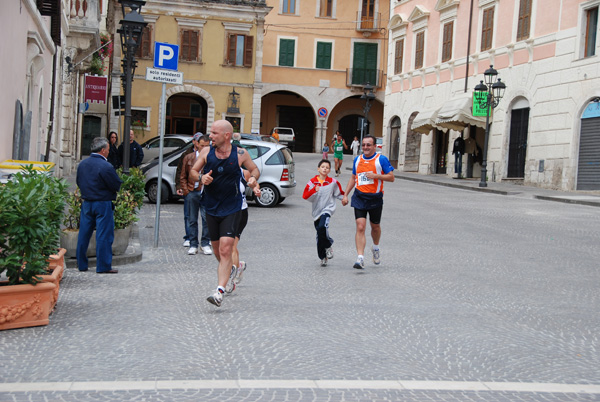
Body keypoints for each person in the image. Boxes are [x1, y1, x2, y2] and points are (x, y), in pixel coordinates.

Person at [190, 120, 260, 307]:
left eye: (214, 133)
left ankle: (219, 291)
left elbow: (254, 169)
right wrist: (200, 177)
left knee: (226, 248)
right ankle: (230, 269)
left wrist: (253, 179)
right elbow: (193, 171)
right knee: (217, 250)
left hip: (233, 207)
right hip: (211, 207)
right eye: (210, 132)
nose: (210, 136)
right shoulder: (206, 153)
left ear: (226, 135)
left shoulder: (240, 154)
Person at [342, 135, 395, 270]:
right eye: (364, 145)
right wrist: (345, 194)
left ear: (374, 146)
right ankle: (360, 258)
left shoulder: (381, 159)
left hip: (375, 198)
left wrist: (376, 176)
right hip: (359, 197)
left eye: (368, 145)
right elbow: (353, 178)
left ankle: (375, 247)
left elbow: (391, 177)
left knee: (375, 226)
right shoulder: (358, 159)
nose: (365, 147)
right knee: (360, 226)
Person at [76, 137, 123, 274]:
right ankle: (103, 266)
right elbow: (116, 184)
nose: (109, 152)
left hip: (87, 202)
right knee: (103, 235)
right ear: (103, 150)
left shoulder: (83, 164)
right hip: (102, 202)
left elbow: (79, 182)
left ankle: (82, 264)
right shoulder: (106, 166)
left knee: (84, 234)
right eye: (108, 149)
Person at [302, 159, 344, 266]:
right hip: (316, 212)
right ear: (318, 169)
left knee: (322, 228)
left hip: (327, 209)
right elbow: (305, 196)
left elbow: (339, 193)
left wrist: (344, 198)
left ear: (329, 170)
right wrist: (314, 190)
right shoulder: (312, 182)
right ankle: (322, 256)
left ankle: (328, 245)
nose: (325, 169)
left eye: (327, 167)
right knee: (319, 234)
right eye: (323, 167)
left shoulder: (333, 182)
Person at [227, 168, 261, 292]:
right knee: (223, 248)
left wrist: (256, 189)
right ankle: (239, 266)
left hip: (240, 212)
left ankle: (231, 280)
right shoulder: (218, 169)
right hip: (223, 213)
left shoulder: (243, 172)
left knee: (231, 246)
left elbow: (254, 183)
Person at [178, 133, 212, 255]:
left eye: (207, 146)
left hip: (206, 193)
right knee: (192, 219)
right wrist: (186, 191)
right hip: (192, 191)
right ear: (197, 144)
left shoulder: (211, 158)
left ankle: (205, 243)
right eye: (202, 145)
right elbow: (183, 176)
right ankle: (193, 244)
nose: (204, 148)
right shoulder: (189, 157)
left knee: (206, 219)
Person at [175, 139, 196, 247]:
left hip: (202, 190)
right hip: (189, 189)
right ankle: (188, 237)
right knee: (188, 215)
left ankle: (206, 239)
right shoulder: (186, 155)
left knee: (206, 216)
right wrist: (181, 187)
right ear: (195, 142)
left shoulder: (207, 154)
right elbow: (180, 172)